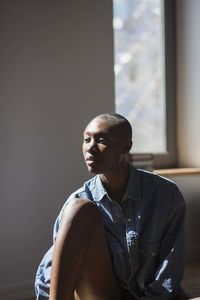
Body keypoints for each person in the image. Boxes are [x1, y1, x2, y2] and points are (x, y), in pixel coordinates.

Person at [35, 113, 191, 300]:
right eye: (86, 140)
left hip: (148, 296)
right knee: (79, 209)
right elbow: (52, 272)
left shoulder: (165, 194)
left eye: (101, 140)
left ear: (126, 146)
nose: (90, 148)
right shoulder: (79, 202)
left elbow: (172, 263)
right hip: (101, 294)